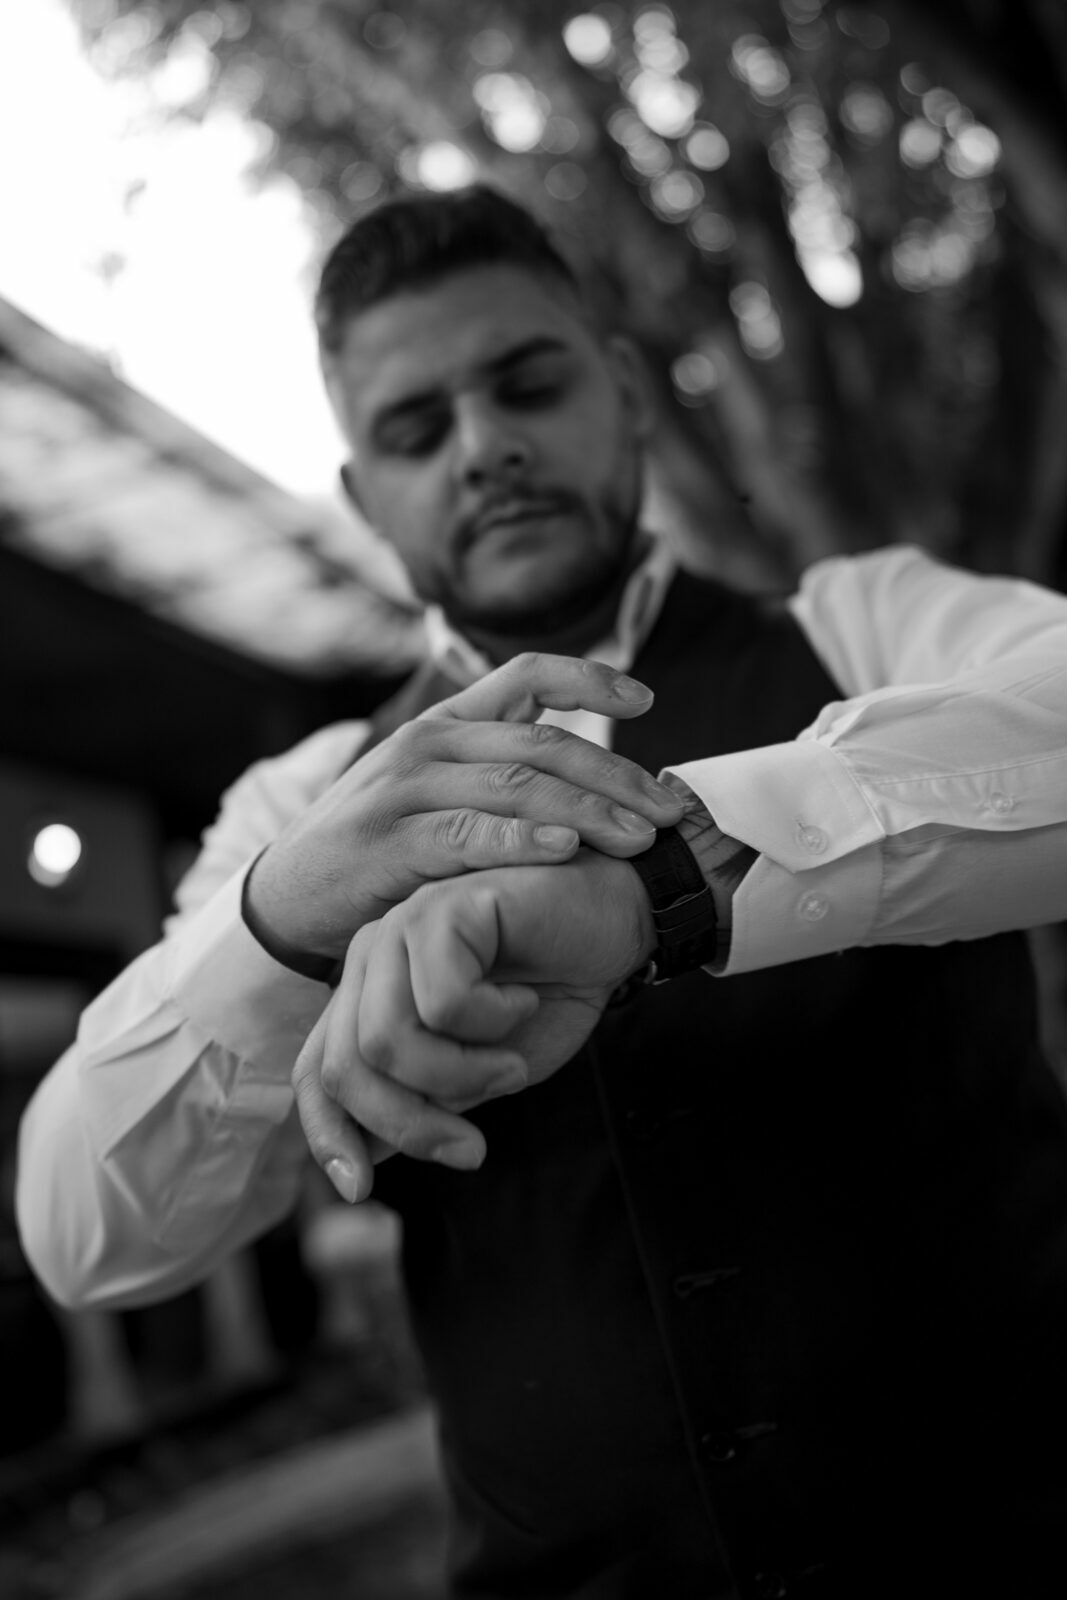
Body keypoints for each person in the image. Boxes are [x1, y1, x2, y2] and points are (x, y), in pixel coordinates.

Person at [16, 184, 1067, 1598]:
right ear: (363, 497)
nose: (485, 446)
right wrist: (278, 926)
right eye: (416, 428)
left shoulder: (864, 626)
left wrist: (669, 886)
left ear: (625, 395)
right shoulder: (298, 809)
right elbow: (81, 1237)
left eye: (527, 384)